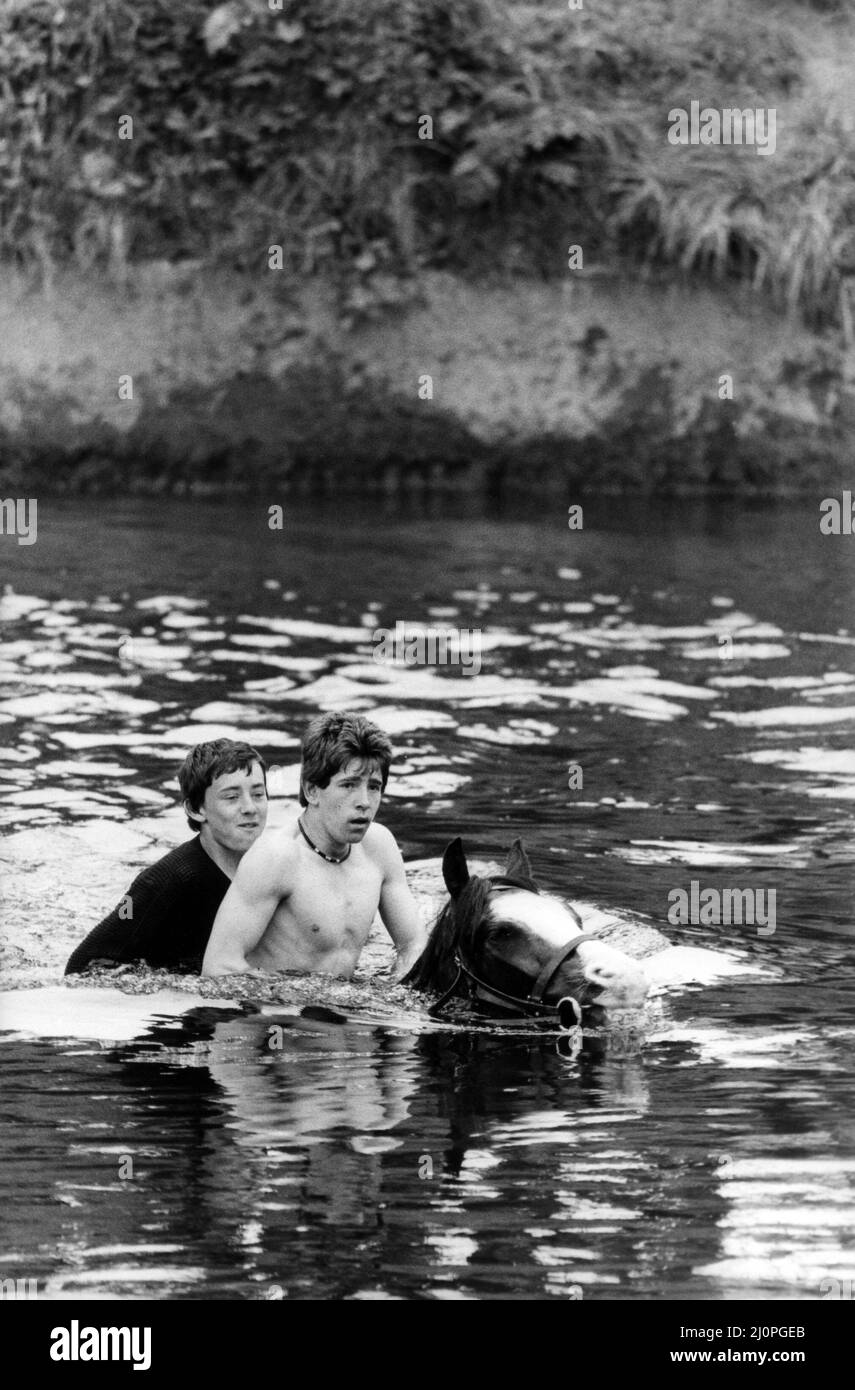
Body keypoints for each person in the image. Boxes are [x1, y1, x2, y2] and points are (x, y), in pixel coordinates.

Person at [202, 712, 426, 981]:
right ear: (311, 790)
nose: (364, 801)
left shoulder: (379, 847)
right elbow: (218, 968)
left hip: (343, 1012)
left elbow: (414, 945)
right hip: (278, 1018)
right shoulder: (276, 858)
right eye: (349, 785)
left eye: (374, 787)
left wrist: (398, 992)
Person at [64, 739, 268, 975]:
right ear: (195, 809)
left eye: (258, 794)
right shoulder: (164, 881)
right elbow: (82, 964)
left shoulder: (272, 868)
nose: (250, 807)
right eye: (231, 797)